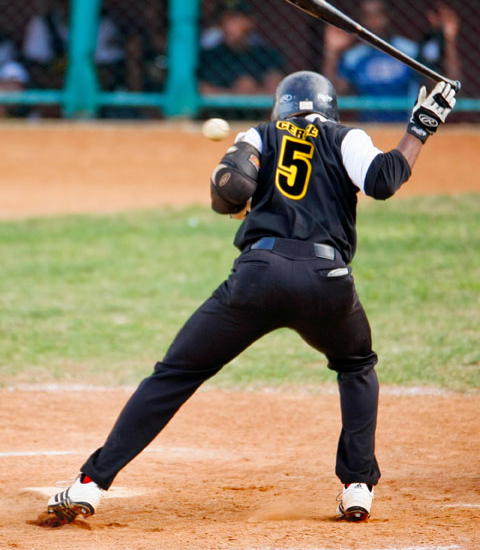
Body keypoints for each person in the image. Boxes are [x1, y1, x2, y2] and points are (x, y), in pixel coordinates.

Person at [44, 70, 456, 526]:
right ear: (329, 109)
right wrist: (420, 128)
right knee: (356, 365)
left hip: (259, 277)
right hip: (327, 281)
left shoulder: (259, 133)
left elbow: (229, 192)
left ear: (281, 106)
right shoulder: (346, 136)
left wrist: (248, 195)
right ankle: (357, 486)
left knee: (175, 374)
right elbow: (383, 181)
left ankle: (91, 485)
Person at [323, 0, 419, 122]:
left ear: (388, 17)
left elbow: (431, 86)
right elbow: (335, 94)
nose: (373, 21)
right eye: (367, 16)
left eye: (377, 15)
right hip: (369, 126)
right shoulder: (354, 56)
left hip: (404, 125)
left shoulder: (409, 51)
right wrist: (332, 53)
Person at [22, 0, 124, 91]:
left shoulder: (104, 25)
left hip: (93, 90)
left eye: (80, 1)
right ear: (58, 2)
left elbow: (109, 71)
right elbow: (35, 69)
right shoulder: (43, 24)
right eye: (66, 0)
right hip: (53, 92)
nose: (71, 6)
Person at [198, 0, 284, 97]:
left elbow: (275, 92)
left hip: (255, 113)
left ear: (250, 22)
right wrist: (238, 94)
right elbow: (202, 90)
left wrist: (220, 92)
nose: (229, 25)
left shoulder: (267, 56)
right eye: (225, 19)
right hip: (216, 113)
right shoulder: (208, 57)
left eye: (236, 19)